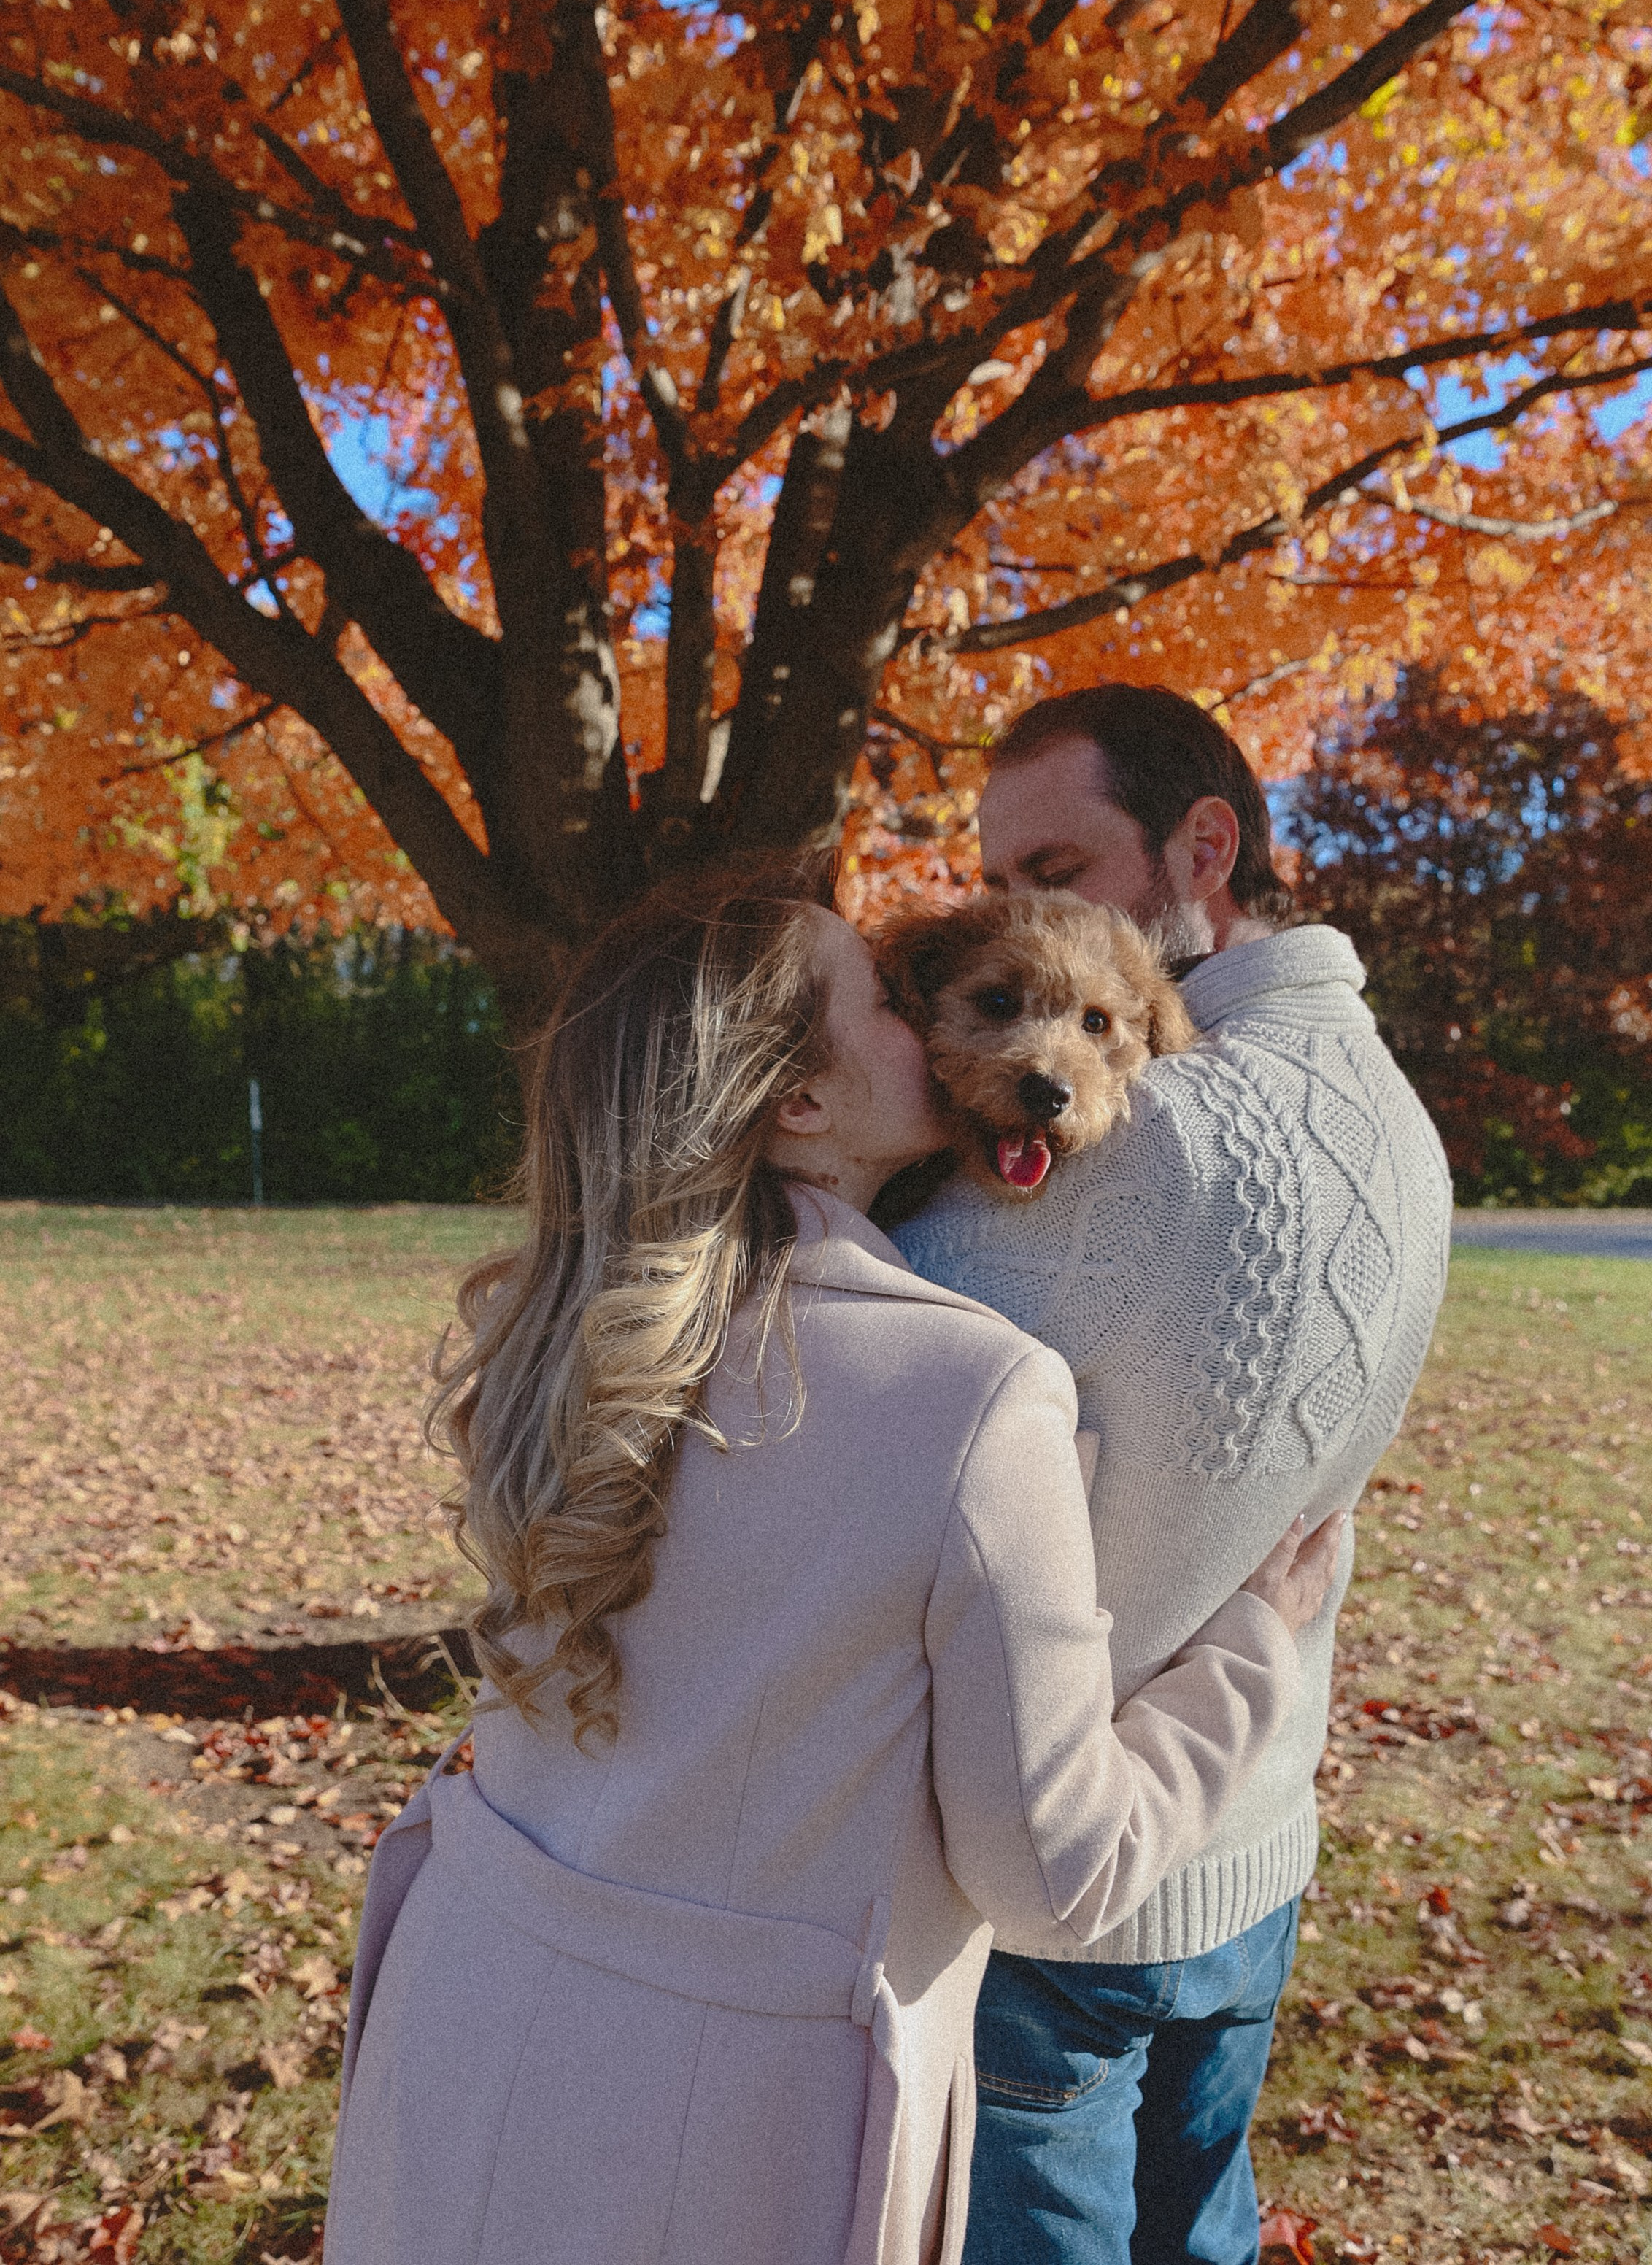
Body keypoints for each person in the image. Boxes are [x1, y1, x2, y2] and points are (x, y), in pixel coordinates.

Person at [324, 863, 1338, 2265]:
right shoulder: (975, 1396)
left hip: (465, 2013)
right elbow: (1056, 1871)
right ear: (797, 1101)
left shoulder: (556, 1337)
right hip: (731, 2133)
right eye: (883, 992)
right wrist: (1252, 1648)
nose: (920, 1016)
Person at [895, 686, 1453, 2265]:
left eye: (1059, 870)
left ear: (1202, 846)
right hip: (1257, 1840)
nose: (1022, 914)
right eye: (1001, 884)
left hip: (1060, 1883)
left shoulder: (1155, 1139)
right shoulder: (1400, 1120)